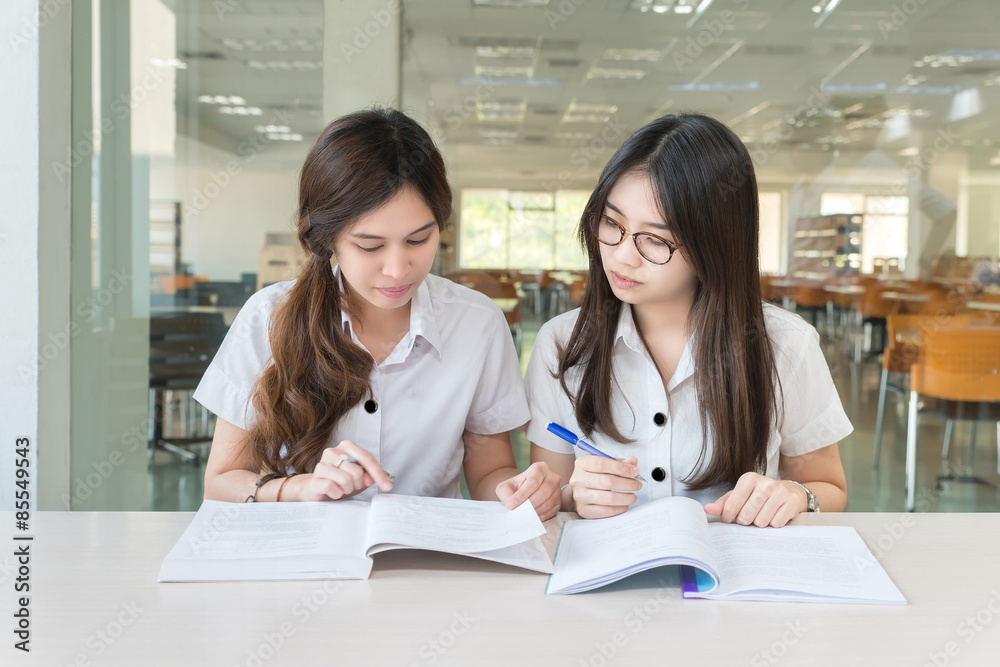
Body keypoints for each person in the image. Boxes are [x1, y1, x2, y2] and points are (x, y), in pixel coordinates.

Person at [195, 108, 560, 520]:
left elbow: (490, 470)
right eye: (370, 246)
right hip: (302, 559)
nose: (398, 269)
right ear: (327, 236)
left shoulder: (476, 323)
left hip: (427, 561)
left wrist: (517, 493)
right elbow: (221, 482)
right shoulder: (268, 318)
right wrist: (302, 487)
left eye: (418, 239)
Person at [525, 113, 851, 527]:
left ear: (713, 246)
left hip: (734, 580)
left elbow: (830, 489)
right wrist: (571, 497)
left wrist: (795, 494)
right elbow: (552, 492)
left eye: (655, 240)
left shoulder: (785, 344)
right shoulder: (561, 343)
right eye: (612, 223)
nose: (623, 255)